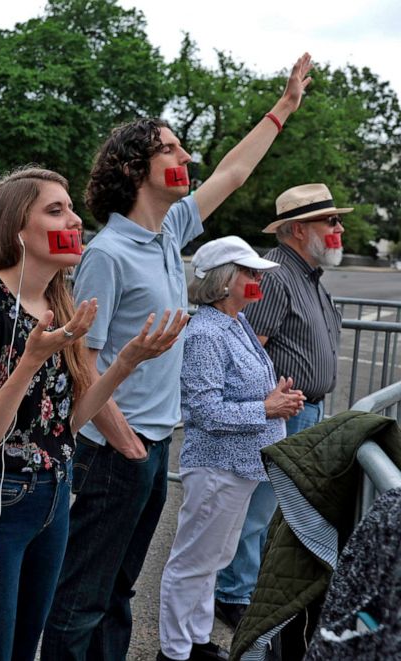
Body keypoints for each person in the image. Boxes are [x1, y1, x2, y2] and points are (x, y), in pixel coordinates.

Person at [42, 52, 314, 661]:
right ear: (136, 167)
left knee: (117, 589)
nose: (186, 158)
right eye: (171, 149)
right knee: (82, 597)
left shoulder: (167, 234)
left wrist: (285, 106)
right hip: (117, 449)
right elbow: (79, 361)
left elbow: (234, 174)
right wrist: (124, 438)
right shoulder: (109, 253)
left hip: (151, 444)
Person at [0, 167, 187, 660]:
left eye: (71, 207)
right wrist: (29, 361)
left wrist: (126, 362)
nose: (74, 219)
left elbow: (63, 427)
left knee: (26, 646)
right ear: (17, 229)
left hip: (51, 499)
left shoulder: (59, 301)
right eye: (56, 210)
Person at [157, 236, 305, 661]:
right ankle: (175, 651)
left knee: (212, 560)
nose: (259, 279)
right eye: (250, 272)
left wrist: (272, 398)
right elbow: (204, 411)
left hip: (238, 467)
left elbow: (233, 397)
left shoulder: (235, 322)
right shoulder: (206, 332)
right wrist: (267, 406)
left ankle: (195, 641)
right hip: (218, 466)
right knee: (193, 563)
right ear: (224, 281)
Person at [213, 183, 351, 629]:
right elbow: (248, 348)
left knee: (274, 511)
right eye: (329, 220)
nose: (339, 228)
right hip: (279, 413)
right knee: (256, 509)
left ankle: (246, 591)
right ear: (296, 230)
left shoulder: (306, 274)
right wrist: (262, 408)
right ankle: (233, 594)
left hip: (299, 411)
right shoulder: (273, 274)